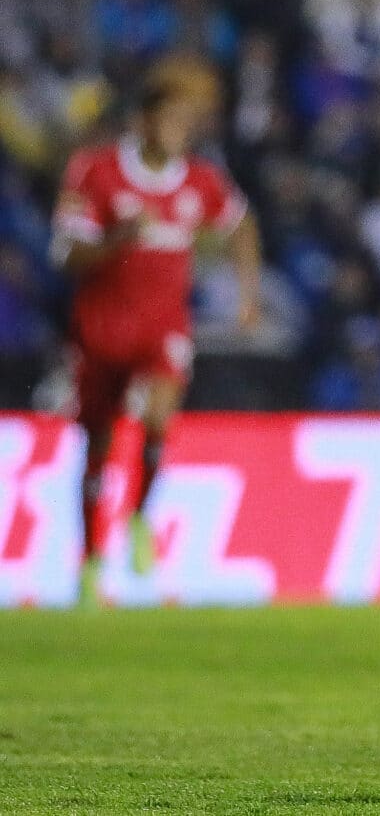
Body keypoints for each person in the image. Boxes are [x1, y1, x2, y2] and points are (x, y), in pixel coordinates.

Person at [50, 60, 261, 605]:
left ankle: (141, 517)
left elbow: (242, 225)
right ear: (143, 122)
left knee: (160, 416)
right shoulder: (95, 172)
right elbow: (67, 254)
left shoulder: (201, 181)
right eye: (170, 120)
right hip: (100, 329)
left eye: (186, 124)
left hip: (163, 327)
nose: (178, 133)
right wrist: (117, 238)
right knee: (97, 444)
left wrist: (248, 296)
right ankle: (92, 560)